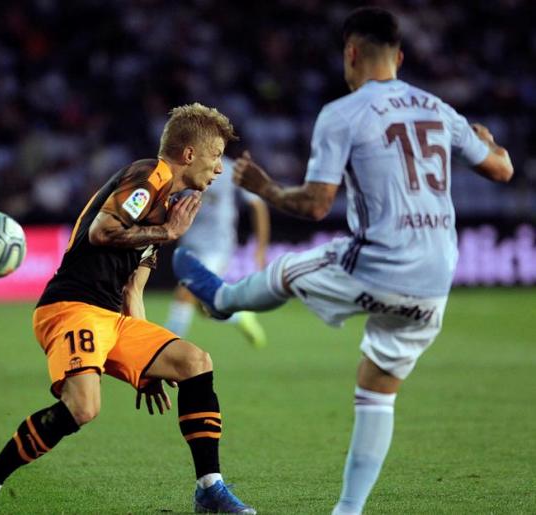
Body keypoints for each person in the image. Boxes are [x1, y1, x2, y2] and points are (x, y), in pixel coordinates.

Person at [173, 8, 513, 515]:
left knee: (290, 270)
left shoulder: (342, 113)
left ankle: (223, 299)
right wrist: (487, 142)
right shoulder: (440, 110)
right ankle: (348, 511)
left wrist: (265, 187)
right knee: (377, 387)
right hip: (437, 274)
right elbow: (502, 169)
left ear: (350, 53)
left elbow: (313, 205)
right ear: (398, 56)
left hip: (379, 261)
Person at [0, 103, 256, 515]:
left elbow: (134, 290)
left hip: (113, 316)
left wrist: (148, 365)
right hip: (72, 306)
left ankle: (209, 488)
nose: (219, 168)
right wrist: (168, 232)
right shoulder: (149, 176)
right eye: (216, 155)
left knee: (194, 362)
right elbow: (102, 231)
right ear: (189, 154)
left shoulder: (166, 205)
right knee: (83, 408)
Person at [165, 154, 270, 348]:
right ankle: (239, 316)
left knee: (185, 292)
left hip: (217, 246)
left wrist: (261, 247)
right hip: (189, 243)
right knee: (204, 307)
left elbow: (257, 205)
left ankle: (164, 347)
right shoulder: (185, 169)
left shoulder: (232, 170)